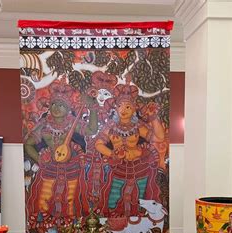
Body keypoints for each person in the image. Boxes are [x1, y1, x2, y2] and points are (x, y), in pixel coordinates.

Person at [24, 80, 98, 222]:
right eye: (54, 104)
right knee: (44, 198)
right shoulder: (44, 125)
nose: (56, 108)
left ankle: (72, 226)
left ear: (68, 109)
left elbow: (92, 130)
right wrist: (40, 160)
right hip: (50, 166)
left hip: (72, 166)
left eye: (61, 105)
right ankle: (44, 226)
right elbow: (28, 144)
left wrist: (93, 108)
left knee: (71, 198)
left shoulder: (72, 122)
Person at [94, 84, 165, 216]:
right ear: (116, 108)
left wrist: (153, 118)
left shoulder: (138, 126)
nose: (123, 110)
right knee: (113, 199)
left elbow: (159, 138)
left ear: (134, 110)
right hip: (118, 169)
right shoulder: (110, 126)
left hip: (140, 168)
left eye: (128, 107)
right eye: (120, 106)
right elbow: (98, 144)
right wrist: (113, 154)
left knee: (139, 199)